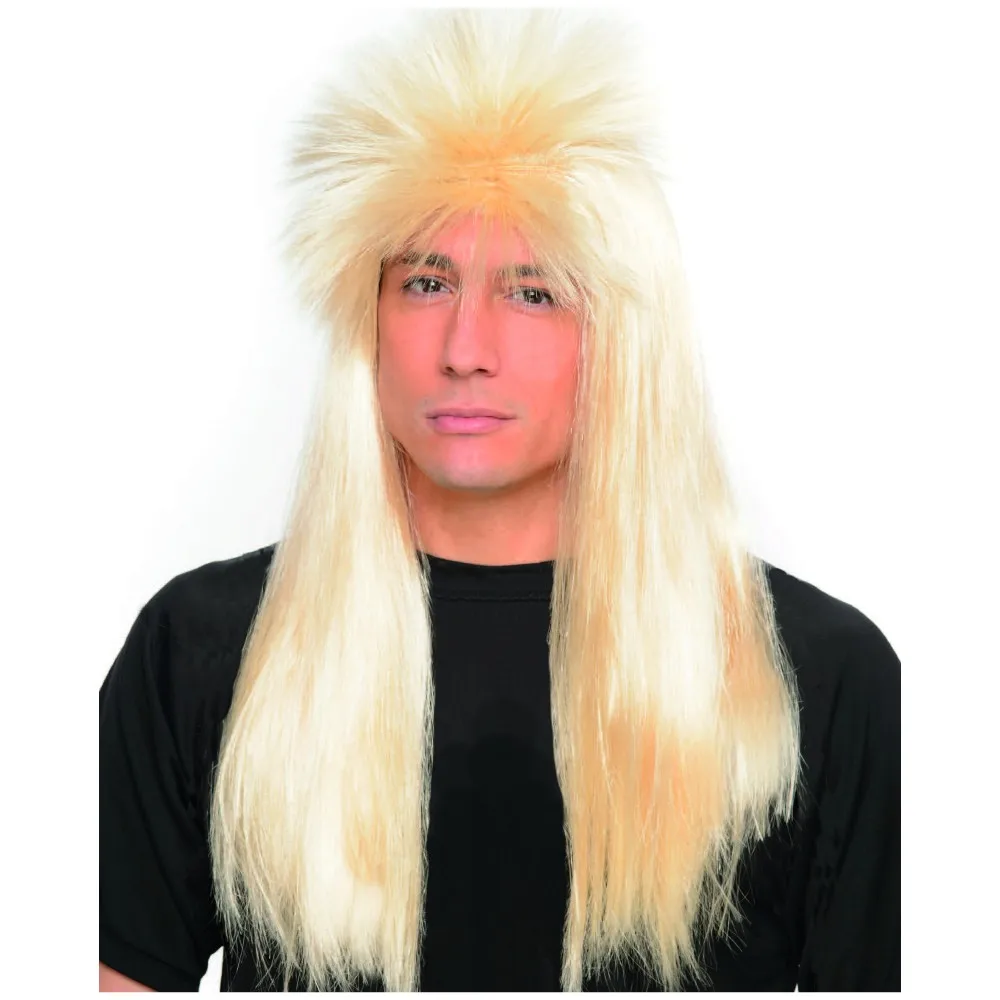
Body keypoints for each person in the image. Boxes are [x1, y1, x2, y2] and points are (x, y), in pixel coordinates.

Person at [99, 9, 900, 992]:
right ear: (368, 314)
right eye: (426, 282)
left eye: (532, 291)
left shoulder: (815, 680)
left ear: (620, 334)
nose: (465, 348)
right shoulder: (205, 652)